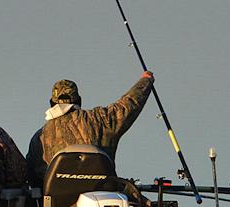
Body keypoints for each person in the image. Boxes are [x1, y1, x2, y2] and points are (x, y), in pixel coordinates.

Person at [26, 72, 154, 185]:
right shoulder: (100, 120)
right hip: (102, 200)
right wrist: (146, 80)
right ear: (79, 101)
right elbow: (128, 105)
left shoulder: (39, 138)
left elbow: (31, 177)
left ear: (51, 103)